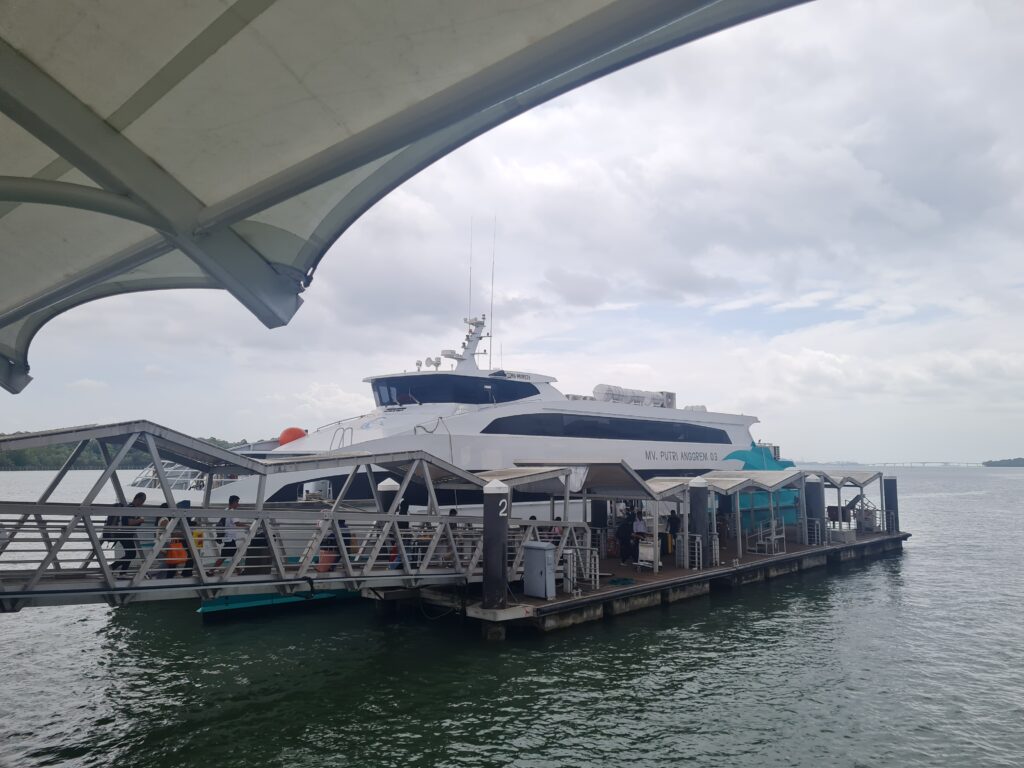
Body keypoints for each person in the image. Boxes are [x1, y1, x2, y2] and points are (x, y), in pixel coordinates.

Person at [110, 492, 146, 573]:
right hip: (124, 534)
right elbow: (129, 522)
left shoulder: (131, 508)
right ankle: (113, 567)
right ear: (137, 499)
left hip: (125, 534)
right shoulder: (130, 508)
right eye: (142, 501)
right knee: (131, 554)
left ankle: (122, 572)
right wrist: (140, 520)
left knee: (130, 553)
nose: (142, 504)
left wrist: (138, 520)